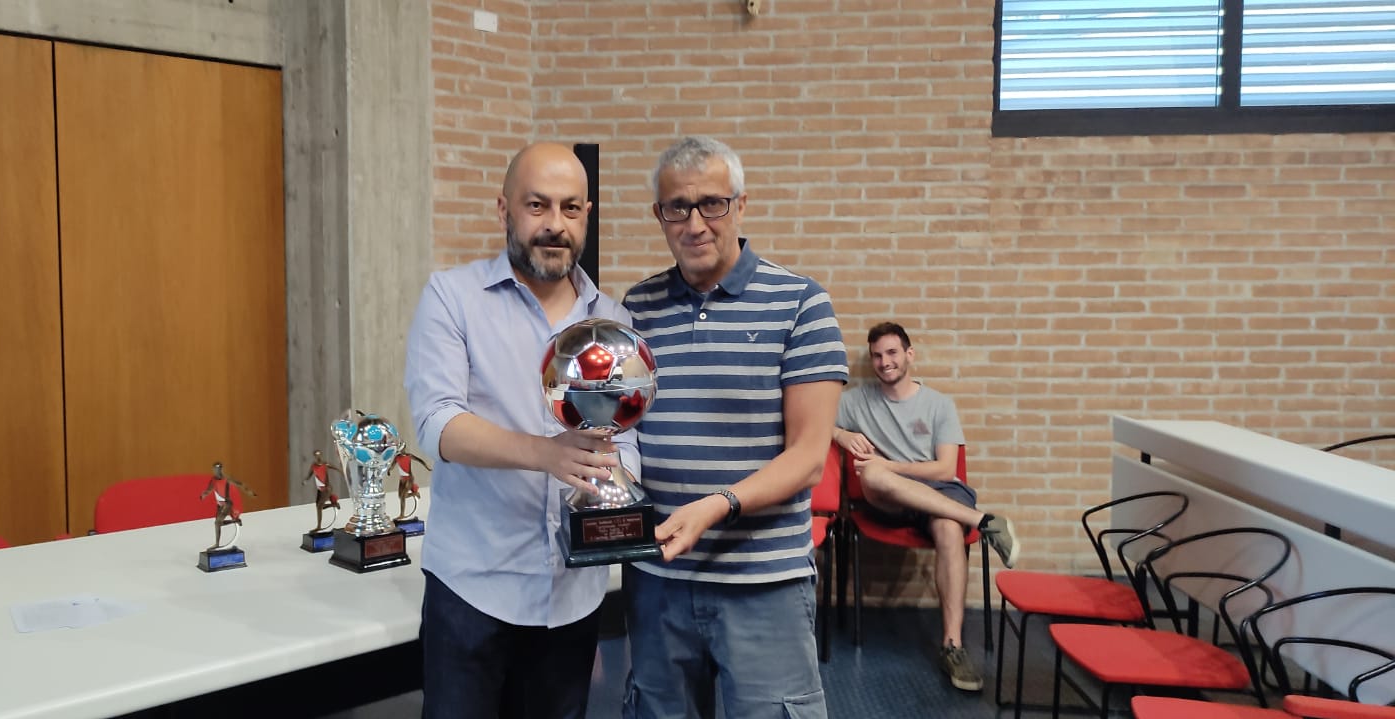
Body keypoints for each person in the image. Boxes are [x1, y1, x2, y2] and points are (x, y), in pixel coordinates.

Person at [404, 142, 639, 719]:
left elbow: (626, 437)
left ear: (587, 215)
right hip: (472, 589)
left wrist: (613, 488)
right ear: (503, 209)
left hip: (573, 596)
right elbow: (438, 424)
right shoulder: (452, 298)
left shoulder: (614, 321)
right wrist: (546, 453)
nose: (555, 224)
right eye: (537, 205)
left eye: (570, 208)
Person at [620, 136, 848, 718]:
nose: (695, 224)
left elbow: (808, 457)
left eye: (712, 204)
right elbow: (618, 429)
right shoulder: (635, 308)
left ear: (741, 205)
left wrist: (716, 506)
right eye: (677, 207)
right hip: (658, 577)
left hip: (762, 582)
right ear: (659, 215)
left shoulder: (801, 303)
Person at [833, 321, 1021, 692]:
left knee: (948, 528)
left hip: (940, 492)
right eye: (877, 356)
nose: (885, 362)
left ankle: (952, 646)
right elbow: (813, 421)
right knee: (872, 474)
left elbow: (946, 469)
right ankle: (985, 521)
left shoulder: (939, 404)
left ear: (909, 354)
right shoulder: (856, 401)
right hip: (887, 500)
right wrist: (842, 433)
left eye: (892, 353)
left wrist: (891, 466)